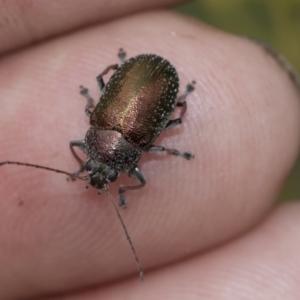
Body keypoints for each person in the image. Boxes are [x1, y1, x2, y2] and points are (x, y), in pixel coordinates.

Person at [0, 1, 299, 299]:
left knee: (160, 117)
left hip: (150, 75)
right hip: (145, 77)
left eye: (89, 167)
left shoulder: (114, 133)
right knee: (108, 91)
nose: (97, 174)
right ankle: (144, 81)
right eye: (95, 169)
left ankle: (163, 89)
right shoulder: (103, 128)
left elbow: (110, 151)